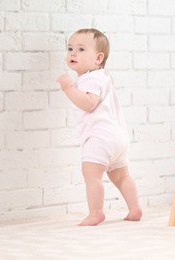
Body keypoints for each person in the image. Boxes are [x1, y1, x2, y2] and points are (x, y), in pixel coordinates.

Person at [57, 28, 142, 226]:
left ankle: (95, 213)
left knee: (91, 175)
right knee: (122, 176)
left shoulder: (89, 79)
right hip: (119, 137)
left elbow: (89, 103)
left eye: (80, 49)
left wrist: (69, 88)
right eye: (70, 48)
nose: (73, 53)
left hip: (100, 137)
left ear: (98, 58)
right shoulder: (104, 77)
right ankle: (134, 207)